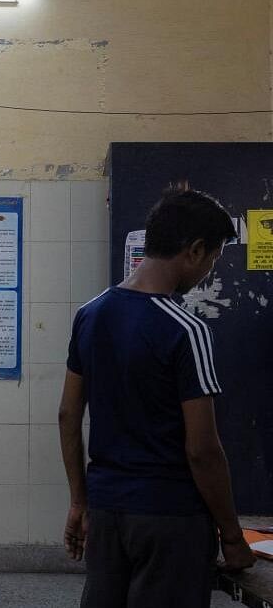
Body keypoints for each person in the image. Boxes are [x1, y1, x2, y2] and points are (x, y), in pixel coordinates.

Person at [59, 188, 255, 607]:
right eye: (213, 260)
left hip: (107, 510)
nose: (207, 272)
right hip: (170, 518)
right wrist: (232, 536)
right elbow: (202, 450)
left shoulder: (89, 315)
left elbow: (67, 414)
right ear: (195, 250)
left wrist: (80, 500)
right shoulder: (186, 330)